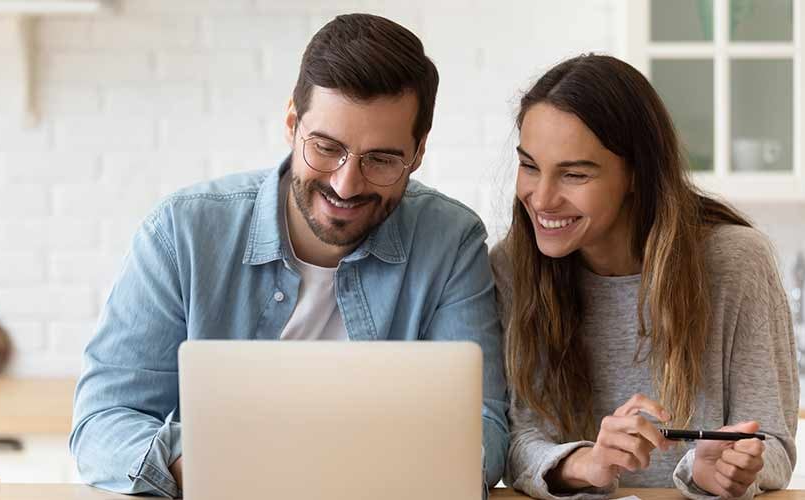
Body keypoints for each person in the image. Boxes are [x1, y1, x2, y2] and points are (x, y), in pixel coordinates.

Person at [71, 13, 509, 498]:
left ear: (419, 151)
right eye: (326, 147)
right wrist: (197, 463)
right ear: (291, 124)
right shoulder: (182, 233)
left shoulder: (451, 242)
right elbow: (101, 423)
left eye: (381, 159)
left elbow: (483, 427)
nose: (346, 183)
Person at [491, 54, 798, 499]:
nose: (541, 198)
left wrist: (719, 470)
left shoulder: (736, 263)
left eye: (574, 174)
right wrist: (588, 463)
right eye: (530, 166)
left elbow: (773, 443)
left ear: (637, 174)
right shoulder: (512, 266)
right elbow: (518, 441)